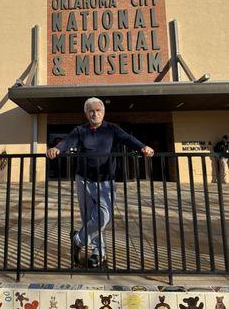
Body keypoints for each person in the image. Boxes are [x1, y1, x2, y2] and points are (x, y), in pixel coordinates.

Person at [46, 97, 154, 268]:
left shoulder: (111, 129)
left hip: (105, 181)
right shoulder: (80, 130)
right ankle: (98, 252)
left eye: (98, 110)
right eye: (91, 111)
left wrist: (142, 147)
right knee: (89, 218)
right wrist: (57, 149)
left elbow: (128, 139)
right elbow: (68, 142)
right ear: (86, 113)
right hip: (83, 179)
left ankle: (78, 239)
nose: (94, 113)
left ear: (103, 112)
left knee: (103, 217)